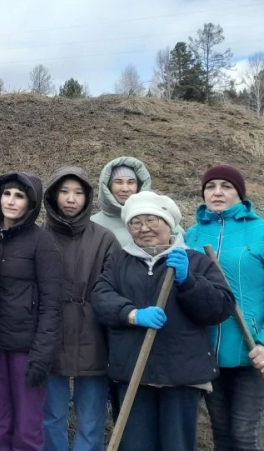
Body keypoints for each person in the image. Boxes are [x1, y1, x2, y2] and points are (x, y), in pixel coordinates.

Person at [92, 191, 235, 451]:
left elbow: (220, 308)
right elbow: (101, 298)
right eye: (136, 223)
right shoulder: (119, 261)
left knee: (176, 445)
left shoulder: (196, 261)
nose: (144, 228)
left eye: (152, 220)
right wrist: (132, 314)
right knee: (134, 446)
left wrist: (188, 281)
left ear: (169, 224)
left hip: (181, 374)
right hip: (133, 371)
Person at [0, 171, 63, 451]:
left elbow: (52, 303)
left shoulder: (42, 242)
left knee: (28, 428)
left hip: (26, 351)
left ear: (31, 203)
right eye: (7, 194)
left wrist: (42, 355)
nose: (11, 201)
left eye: (19, 196)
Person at [184, 165, 264, 451]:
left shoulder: (260, 231)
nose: (217, 192)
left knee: (244, 436)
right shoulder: (191, 236)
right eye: (211, 186)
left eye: (226, 186)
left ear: (240, 193)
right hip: (206, 351)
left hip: (250, 351)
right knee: (221, 433)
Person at [40, 168, 119, 451]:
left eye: (78, 192)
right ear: (53, 196)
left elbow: (112, 286)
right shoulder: (39, 236)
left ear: (87, 197)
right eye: (64, 192)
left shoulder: (104, 238)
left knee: (92, 417)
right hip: (50, 334)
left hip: (93, 334)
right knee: (51, 414)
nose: (71, 199)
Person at [90, 157, 153, 246]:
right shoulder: (92, 225)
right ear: (108, 186)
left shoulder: (157, 220)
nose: (125, 189)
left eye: (131, 182)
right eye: (118, 182)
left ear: (138, 186)